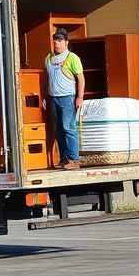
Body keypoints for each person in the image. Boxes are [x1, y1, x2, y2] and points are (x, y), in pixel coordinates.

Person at [44, 28, 85, 170]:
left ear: (66, 42)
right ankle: (64, 159)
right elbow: (47, 79)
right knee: (58, 130)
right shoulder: (48, 58)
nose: (56, 42)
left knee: (69, 128)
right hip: (53, 98)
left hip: (67, 98)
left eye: (60, 40)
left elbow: (81, 79)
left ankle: (74, 160)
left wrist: (79, 97)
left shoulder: (72, 58)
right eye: (55, 39)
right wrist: (45, 97)